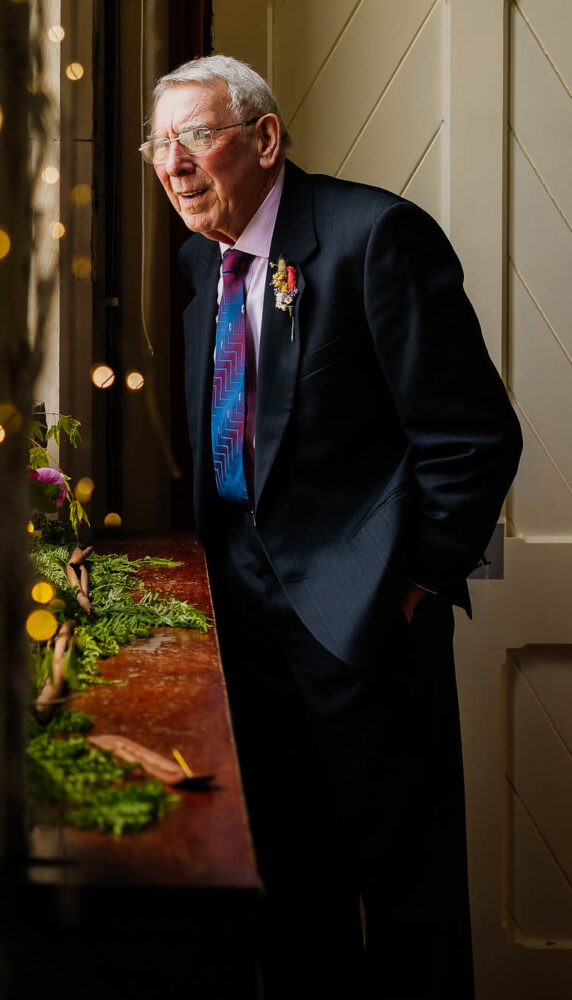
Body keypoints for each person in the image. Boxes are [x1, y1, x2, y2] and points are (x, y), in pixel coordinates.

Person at [147, 55, 521, 998]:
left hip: (364, 633)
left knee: (408, 904)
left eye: (197, 135)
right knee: (289, 889)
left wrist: (406, 586)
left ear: (265, 139)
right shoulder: (202, 260)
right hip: (239, 629)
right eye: (161, 143)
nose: (174, 165)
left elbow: (473, 438)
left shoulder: (375, 237)